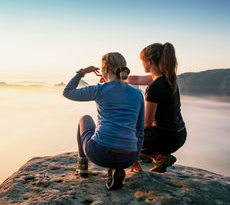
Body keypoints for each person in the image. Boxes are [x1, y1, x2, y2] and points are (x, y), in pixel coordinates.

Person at [63, 52, 144, 190]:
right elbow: (139, 131)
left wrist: (82, 72)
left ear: (105, 69)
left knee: (85, 119)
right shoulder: (137, 94)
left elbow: (68, 92)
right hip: (127, 157)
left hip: (101, 154)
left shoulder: (99, 89)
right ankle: (114, 170)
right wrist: (135, 158)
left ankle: (82, 165)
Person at [128, 42, 187, 173]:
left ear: (149, 62)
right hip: (180, 135)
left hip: (165, 139)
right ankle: (148, 154)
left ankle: (160, 156)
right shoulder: (169, 78)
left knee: (126, 133)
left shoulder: (154, 87)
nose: (142, 64)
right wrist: (115, 78)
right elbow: (136, 79)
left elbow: (147, 124)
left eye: (142, 61)